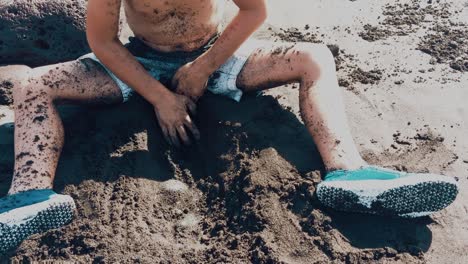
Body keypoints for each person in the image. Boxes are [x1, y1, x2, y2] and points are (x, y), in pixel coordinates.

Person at [0, 0, 459, 254]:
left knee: (313, 57)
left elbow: (254, 12)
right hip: (137, 60)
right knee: (35, 84)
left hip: (214, 54)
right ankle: (30, 196)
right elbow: (102, 40)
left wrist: (203, 69)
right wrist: (160, 98)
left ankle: (348, 173)